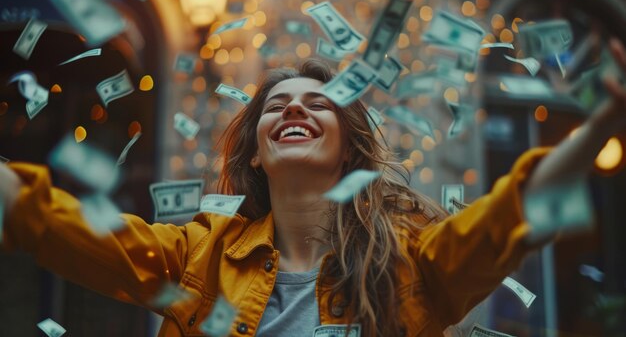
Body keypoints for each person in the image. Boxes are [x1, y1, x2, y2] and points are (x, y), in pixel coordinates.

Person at [1, 39, 626, 337]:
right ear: (256, 150)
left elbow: (512, 213)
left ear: (349, 142)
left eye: (317, 104)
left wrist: (602, 122)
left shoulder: (414, 258)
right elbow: (53, 226)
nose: (294, 111)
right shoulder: (198, 254)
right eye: (277, 106)